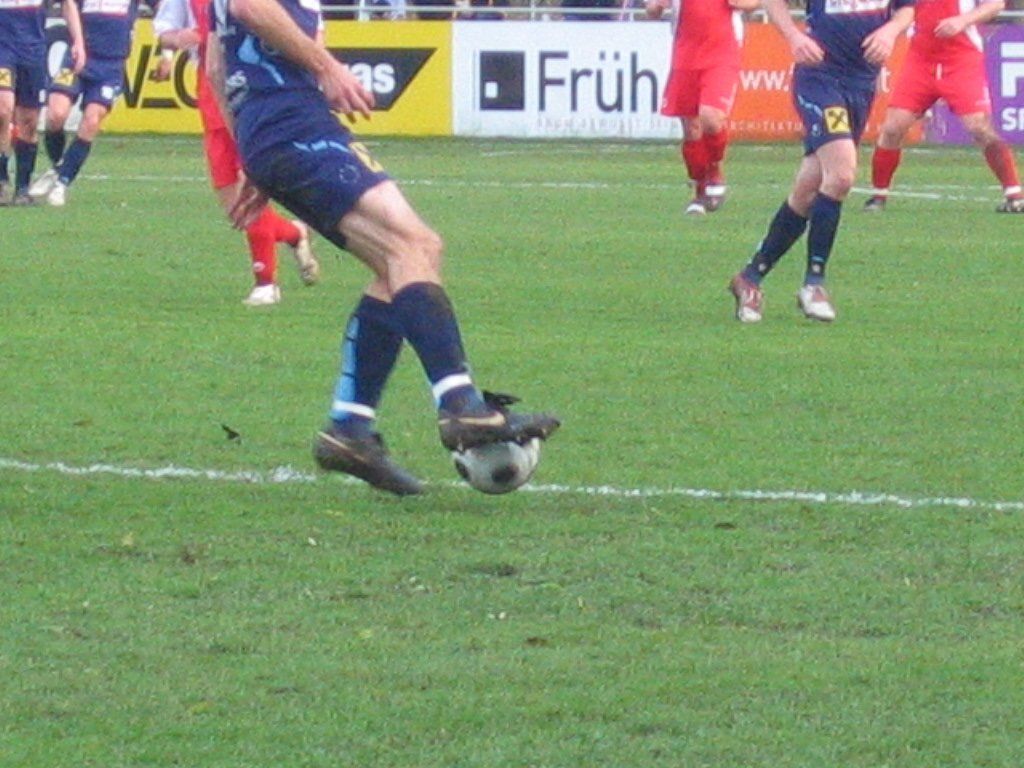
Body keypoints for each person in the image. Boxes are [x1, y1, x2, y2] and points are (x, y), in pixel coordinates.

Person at [207, 0, 560, 495]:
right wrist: (328, 68)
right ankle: (460, 405)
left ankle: (349, 429)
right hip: (291, 123)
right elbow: (251, 6)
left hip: (286, 124)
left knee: (409, 258)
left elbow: (215, 63)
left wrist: (249, 149)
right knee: (411, 247)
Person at [728, 0, 914, 323]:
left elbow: (907, 7)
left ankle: (750, 277)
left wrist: (891, 30)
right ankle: (814, 284)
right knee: (841, 175)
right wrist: (794, 37)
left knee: (806, 192)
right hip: (820, 79)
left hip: (861, 85)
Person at [152, 0, 320, 306]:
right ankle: (294, 234)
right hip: (210, 85)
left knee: (248, 177)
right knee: (234, 205)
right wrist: (177, 39)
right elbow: (164, 29)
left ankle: (266, 283)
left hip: (252, 79)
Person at [864, 0, 1024, 213]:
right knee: (892, 127)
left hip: (961, 60)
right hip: (920, 61)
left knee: (979, 127)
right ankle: (878, 196)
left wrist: (963, 21)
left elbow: (995, 4)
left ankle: (1014, 195)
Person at [647, 0, 760, 215]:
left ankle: (714, 169)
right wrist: (656, 6)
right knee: (691, 130)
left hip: (722, 52)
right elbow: (652, 10)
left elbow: (753, 3)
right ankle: (700, 190)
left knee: (711, 117)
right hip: (685, 55)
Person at [28, 0, 143, 207]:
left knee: (92, 120)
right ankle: (59, 166)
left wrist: (167, 53)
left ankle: (62, 182)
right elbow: (69, 4)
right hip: (77, 57)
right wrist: (79, 42)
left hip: (111, 65)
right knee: (55, 115)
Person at [0, 0, 84, 206]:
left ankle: (22, 188)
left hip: (32, 50)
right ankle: (1, 180)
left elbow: (68, 4)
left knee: (29, 121)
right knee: (3, 108)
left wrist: (78, 41)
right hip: (2, 48)